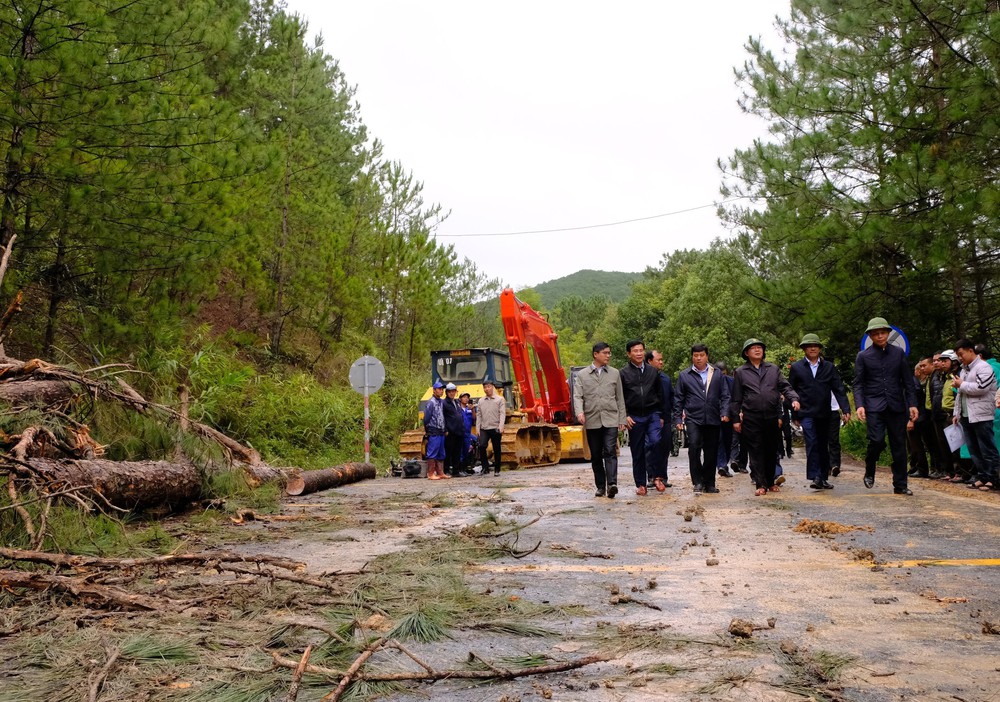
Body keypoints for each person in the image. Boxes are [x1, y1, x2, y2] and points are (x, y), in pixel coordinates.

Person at [852, 317, 918, 495]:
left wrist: (912, 404)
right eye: (875, 334)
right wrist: (860, 405)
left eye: (882, 333)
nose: (880, 336)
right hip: (874, 406)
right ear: (870, 336)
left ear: (889, 333)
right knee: (877, 441)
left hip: (896, 406)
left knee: (899, 445)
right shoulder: (863, 356)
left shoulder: (898, 353)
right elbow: (858, 383)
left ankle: (901, 484)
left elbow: (907, 381)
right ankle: (870, 467)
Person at [730, 338, 799, 496]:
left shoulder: (773, 369)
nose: (757, 350)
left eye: (759, 347)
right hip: (751, 417)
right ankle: (760, 484)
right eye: (753, 348)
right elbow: (736, 399)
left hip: (771, 416)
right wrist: (735, 419)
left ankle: (770, 481)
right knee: (756, 450)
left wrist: (794, 399)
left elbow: (785, 386)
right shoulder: (741, 372)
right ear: (746, 353)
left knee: (771, 449)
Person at [787, 334, 850, 490]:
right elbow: (791, 391)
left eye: (815, 345)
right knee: (812, 443)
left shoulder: (828, 367)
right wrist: (794, 415)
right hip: (806, 412)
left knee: (823, 445)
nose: (813, 348)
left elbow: (838, 388)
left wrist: (846, 409)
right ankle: (815, 476)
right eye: (809, 346)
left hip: (824, 413)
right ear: (804, 349)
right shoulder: (797, 367)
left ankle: (823, 477)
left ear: (820, 348)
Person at [673, 344, 731, 494]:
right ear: (692, 357)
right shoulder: (685, 375)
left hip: (713, 417)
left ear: (707, 356)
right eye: (695, 356)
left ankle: (709, 482)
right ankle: (697, 481)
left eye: (701, 355)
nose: (698, 358)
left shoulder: (717, 374)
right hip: (693, 418)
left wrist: (725, 412)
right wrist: (678, 419)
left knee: (711, 451)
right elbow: (678, 398)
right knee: (694, 447)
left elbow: (725, 395)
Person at [574, 342, 627, 498]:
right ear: (595, 354)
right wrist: (579, 412)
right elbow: (577, 396)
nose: (608, 355)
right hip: (592, 419)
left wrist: (622, 419)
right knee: (596, 454)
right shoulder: (582, 375)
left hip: (611, 418)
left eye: (609, 353)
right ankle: (600, 486)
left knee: (610, 451)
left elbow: (620, 398)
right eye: (605, 353)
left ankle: (612, 484)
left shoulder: (614, 373)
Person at [952, 339, 1000, 491]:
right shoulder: (964, 370)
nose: (960, 358)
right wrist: (957, 413)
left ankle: (993, 478)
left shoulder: (984, 367)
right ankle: (982, 476)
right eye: (958, 355)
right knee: (974, 449)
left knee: (987, 448)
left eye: (961, 354)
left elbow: (981, 388)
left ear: (971, 351)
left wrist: (961, 384)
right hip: (967, 415)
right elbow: (960, 394)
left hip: (982, 414)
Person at [619, 340, 664, 495]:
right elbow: (620, 397)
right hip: (635, 416)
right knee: (637, 450)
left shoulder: (653, 371)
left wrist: (662, 414)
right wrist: (624, 416)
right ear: (628, 353)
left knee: (656, 441)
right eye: (635, 351)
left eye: (641, 350)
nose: (638, 353)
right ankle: (641, 484)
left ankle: (657, 477)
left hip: (652, 414)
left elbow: (660, 394)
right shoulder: (623, 373)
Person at [646, 349, 675, 489]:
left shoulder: (666, 379)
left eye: (662, 359)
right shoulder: (645, 379)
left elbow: (671, 398)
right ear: (649, 361)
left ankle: (662, 476)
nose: (661, 362)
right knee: (651, 446)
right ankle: (651, 476)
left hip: (666, 418)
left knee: (665, 447)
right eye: (658, 360)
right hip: (651, 418)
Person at [906, 357, 938, 479]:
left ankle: (922, 469)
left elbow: (914, 403)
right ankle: (920, 468)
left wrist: (911, 419)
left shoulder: (912, 384)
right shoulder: (911, 382)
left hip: (917, 418)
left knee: (917, 445)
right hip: (918, 417)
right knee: (915, 445)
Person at [477, 378, 506, 475]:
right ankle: (485, 468)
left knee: (496, 448)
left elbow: (502, 414)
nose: (487, 389)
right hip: (484, 428)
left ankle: (497, 469)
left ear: (492, 387)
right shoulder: (481, 401)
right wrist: (478, 428)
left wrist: (501, 426)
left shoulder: (500, 399)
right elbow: (479, 415)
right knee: (482, 446)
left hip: (495, 427)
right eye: (485, 387)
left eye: (488, 387)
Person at [423, 380, 449, 480]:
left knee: (441, 453)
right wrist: (427, 430)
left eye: (442, 389)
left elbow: (443, 416)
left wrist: (445, 428)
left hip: (441, 430)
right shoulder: (431, 402)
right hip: (433, 430)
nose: (441, 391)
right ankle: (430, 473)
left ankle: (440, 472)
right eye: (439, 389)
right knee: (432, 452)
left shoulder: (441, 402)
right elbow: (426, 418)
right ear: (434, 390)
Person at [442, 383, 468, 476]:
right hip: (450, 431)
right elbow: (443, 417)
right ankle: (446, 470)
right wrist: (445, 429)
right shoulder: (444, 403)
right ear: (447, 392)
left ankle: (456, 471)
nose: (452, 393)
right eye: (450, 392)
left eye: (453, 391)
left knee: (457, 452)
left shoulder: (456, 402)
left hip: (459, 431)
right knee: (449, 452)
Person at [715, 361, 736, 477]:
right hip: (715, 416)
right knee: (719, 440)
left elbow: (735, 399)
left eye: (723, 373)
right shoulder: (711, 382)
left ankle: (724, 464)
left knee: (727, 441)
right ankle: (721, 465)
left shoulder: (732, 382)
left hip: (729, 416)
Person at [459, 392, 476, 471]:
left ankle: (465, 467)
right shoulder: (457, 409)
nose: (466, 399)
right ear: (460, 399)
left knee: (467, 450)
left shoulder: (469, 409)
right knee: (460, 451)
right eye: (464, 397)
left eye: (467, 397)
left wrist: (472, 409)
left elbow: (474, 419)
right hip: (459, 433)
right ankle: (460, 469)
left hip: (467, 433)